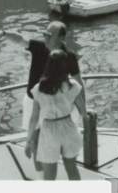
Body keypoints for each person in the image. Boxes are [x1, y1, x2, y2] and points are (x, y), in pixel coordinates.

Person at [25, 50, 83, 180]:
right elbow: (81, 107)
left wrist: (29, 141)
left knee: (50, 175)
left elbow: (34, 118)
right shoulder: (73, 86)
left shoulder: (39, 88)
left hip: (49, 130)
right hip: (68, 127)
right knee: (72, 169)